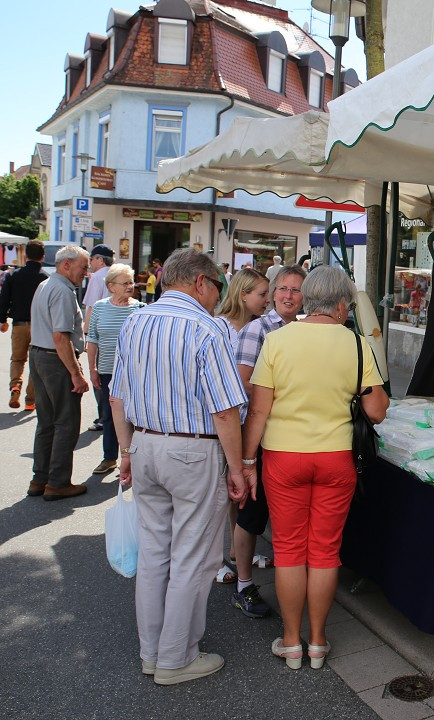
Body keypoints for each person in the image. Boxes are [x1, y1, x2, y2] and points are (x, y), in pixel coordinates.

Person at [109, 249, 248, 686]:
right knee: (191, 557)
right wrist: (237, 467)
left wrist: (126, 451)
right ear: (202, 282)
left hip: (146, 442)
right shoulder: (206, 328)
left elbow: (118, 395)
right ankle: (175, 658)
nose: (217, 296)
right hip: (192, 451)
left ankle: (152, 653)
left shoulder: (136, 320)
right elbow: (225, 410)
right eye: (217, 286)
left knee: (154, 555)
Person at [241, 265, 388, 670]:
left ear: (307, 298)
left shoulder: (278, 340)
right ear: (342, 304)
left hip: (284, 458)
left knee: (289, 551)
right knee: (325, 552)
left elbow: (258, 410)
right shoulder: (358, 345)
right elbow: (376, 412)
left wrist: (248, 461)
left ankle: (291, 643)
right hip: (337, 459)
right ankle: (319, 643)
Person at [229, 265, 306, 618]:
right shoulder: (257, 329)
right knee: (250, 514)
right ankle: (244, 585)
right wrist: (285, 395)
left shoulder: (306, 331)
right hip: (259, 437)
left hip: (292, 437)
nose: (289, 296)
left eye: (297, 290)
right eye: (284, 289)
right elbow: (242, 382)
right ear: (274, 293)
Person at [213, 266, 269, 586]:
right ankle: (216, 559)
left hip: (247, 421)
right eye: (262, 294)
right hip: (227, 421)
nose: (267, 300)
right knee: (222, 492)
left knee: (239, 493)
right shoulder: (221, 327)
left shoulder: (258, 326)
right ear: (243, 294)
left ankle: (237, 552)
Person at [27, 244, 91, 501]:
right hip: (56, 360)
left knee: (47, 422)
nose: (85, 273)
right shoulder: (63, 291)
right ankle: (58, 482)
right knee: (65, 423)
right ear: (66, 265)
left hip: (39, 356)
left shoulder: (46, 285)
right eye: (83, 267)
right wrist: (76, 374)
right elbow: (61, 338)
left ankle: (40, 478)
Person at [85, 264, 144, 475]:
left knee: (133, 416)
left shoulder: (140, 308)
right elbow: (92, 339)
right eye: (125, 282)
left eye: (131, 281)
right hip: (107, 370)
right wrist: (92, 368)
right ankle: (109, 458)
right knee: (109, 416)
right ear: (111, 286)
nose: (131, 286)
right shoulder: (99, 307)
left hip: (133, 373)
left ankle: (131, 459)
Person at [0, 240, 46, 411]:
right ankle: (30, 401)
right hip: (39, 327)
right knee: (35, 363)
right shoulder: (45, 277)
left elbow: (4, 299)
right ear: (43, 256)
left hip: (18, 324)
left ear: (25, 255)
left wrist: (2, 320)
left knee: (17, 359)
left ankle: (15, 387)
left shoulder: (13, 275)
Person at [83, 244, 115, 432]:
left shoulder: (98, 277)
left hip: (100, 332)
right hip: (115, 331)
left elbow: (91, 307)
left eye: (92, 259)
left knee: (99, 377)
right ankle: (111, 415)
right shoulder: (118, 274)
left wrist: (87, 334)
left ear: (100, 260)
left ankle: (104, 417)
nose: (90, 263)